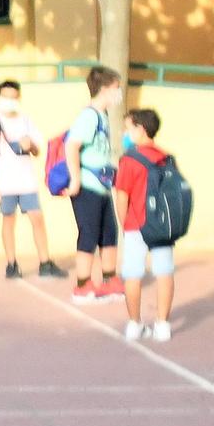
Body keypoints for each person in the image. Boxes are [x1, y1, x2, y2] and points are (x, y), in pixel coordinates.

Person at [0, 79, 65, 280]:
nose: (9, 101)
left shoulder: (26, 121)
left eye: (13, 97)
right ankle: (11, 264)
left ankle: (45, 262)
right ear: (0, 97)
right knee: (8, 220)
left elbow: (37, 150)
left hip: (26, 180)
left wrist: (30, 146)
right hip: (5, 182)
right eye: (5, 97)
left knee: (37, 218)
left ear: (18, 98)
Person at [113, 107, 178, 342]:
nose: (125, 132)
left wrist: (124, 223)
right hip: (163, 224)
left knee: (133, 274)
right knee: (164, 272)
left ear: (140, 129)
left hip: (135, 224)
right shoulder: (167, 158)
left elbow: (122, 196)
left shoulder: (129, 160)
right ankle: (162, 325)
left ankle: (134, 324)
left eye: (128, 128)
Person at [66, 65, 127, 304]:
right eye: (116, 89)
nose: (118, 93)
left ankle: (110, 279)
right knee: (89, 233)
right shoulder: (89, 116)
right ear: (103, 89)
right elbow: (71, 146)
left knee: (109, 232)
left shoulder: (102, 116)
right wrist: (75, 179)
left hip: (102, 187)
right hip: (87, 186)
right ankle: (82, 284)